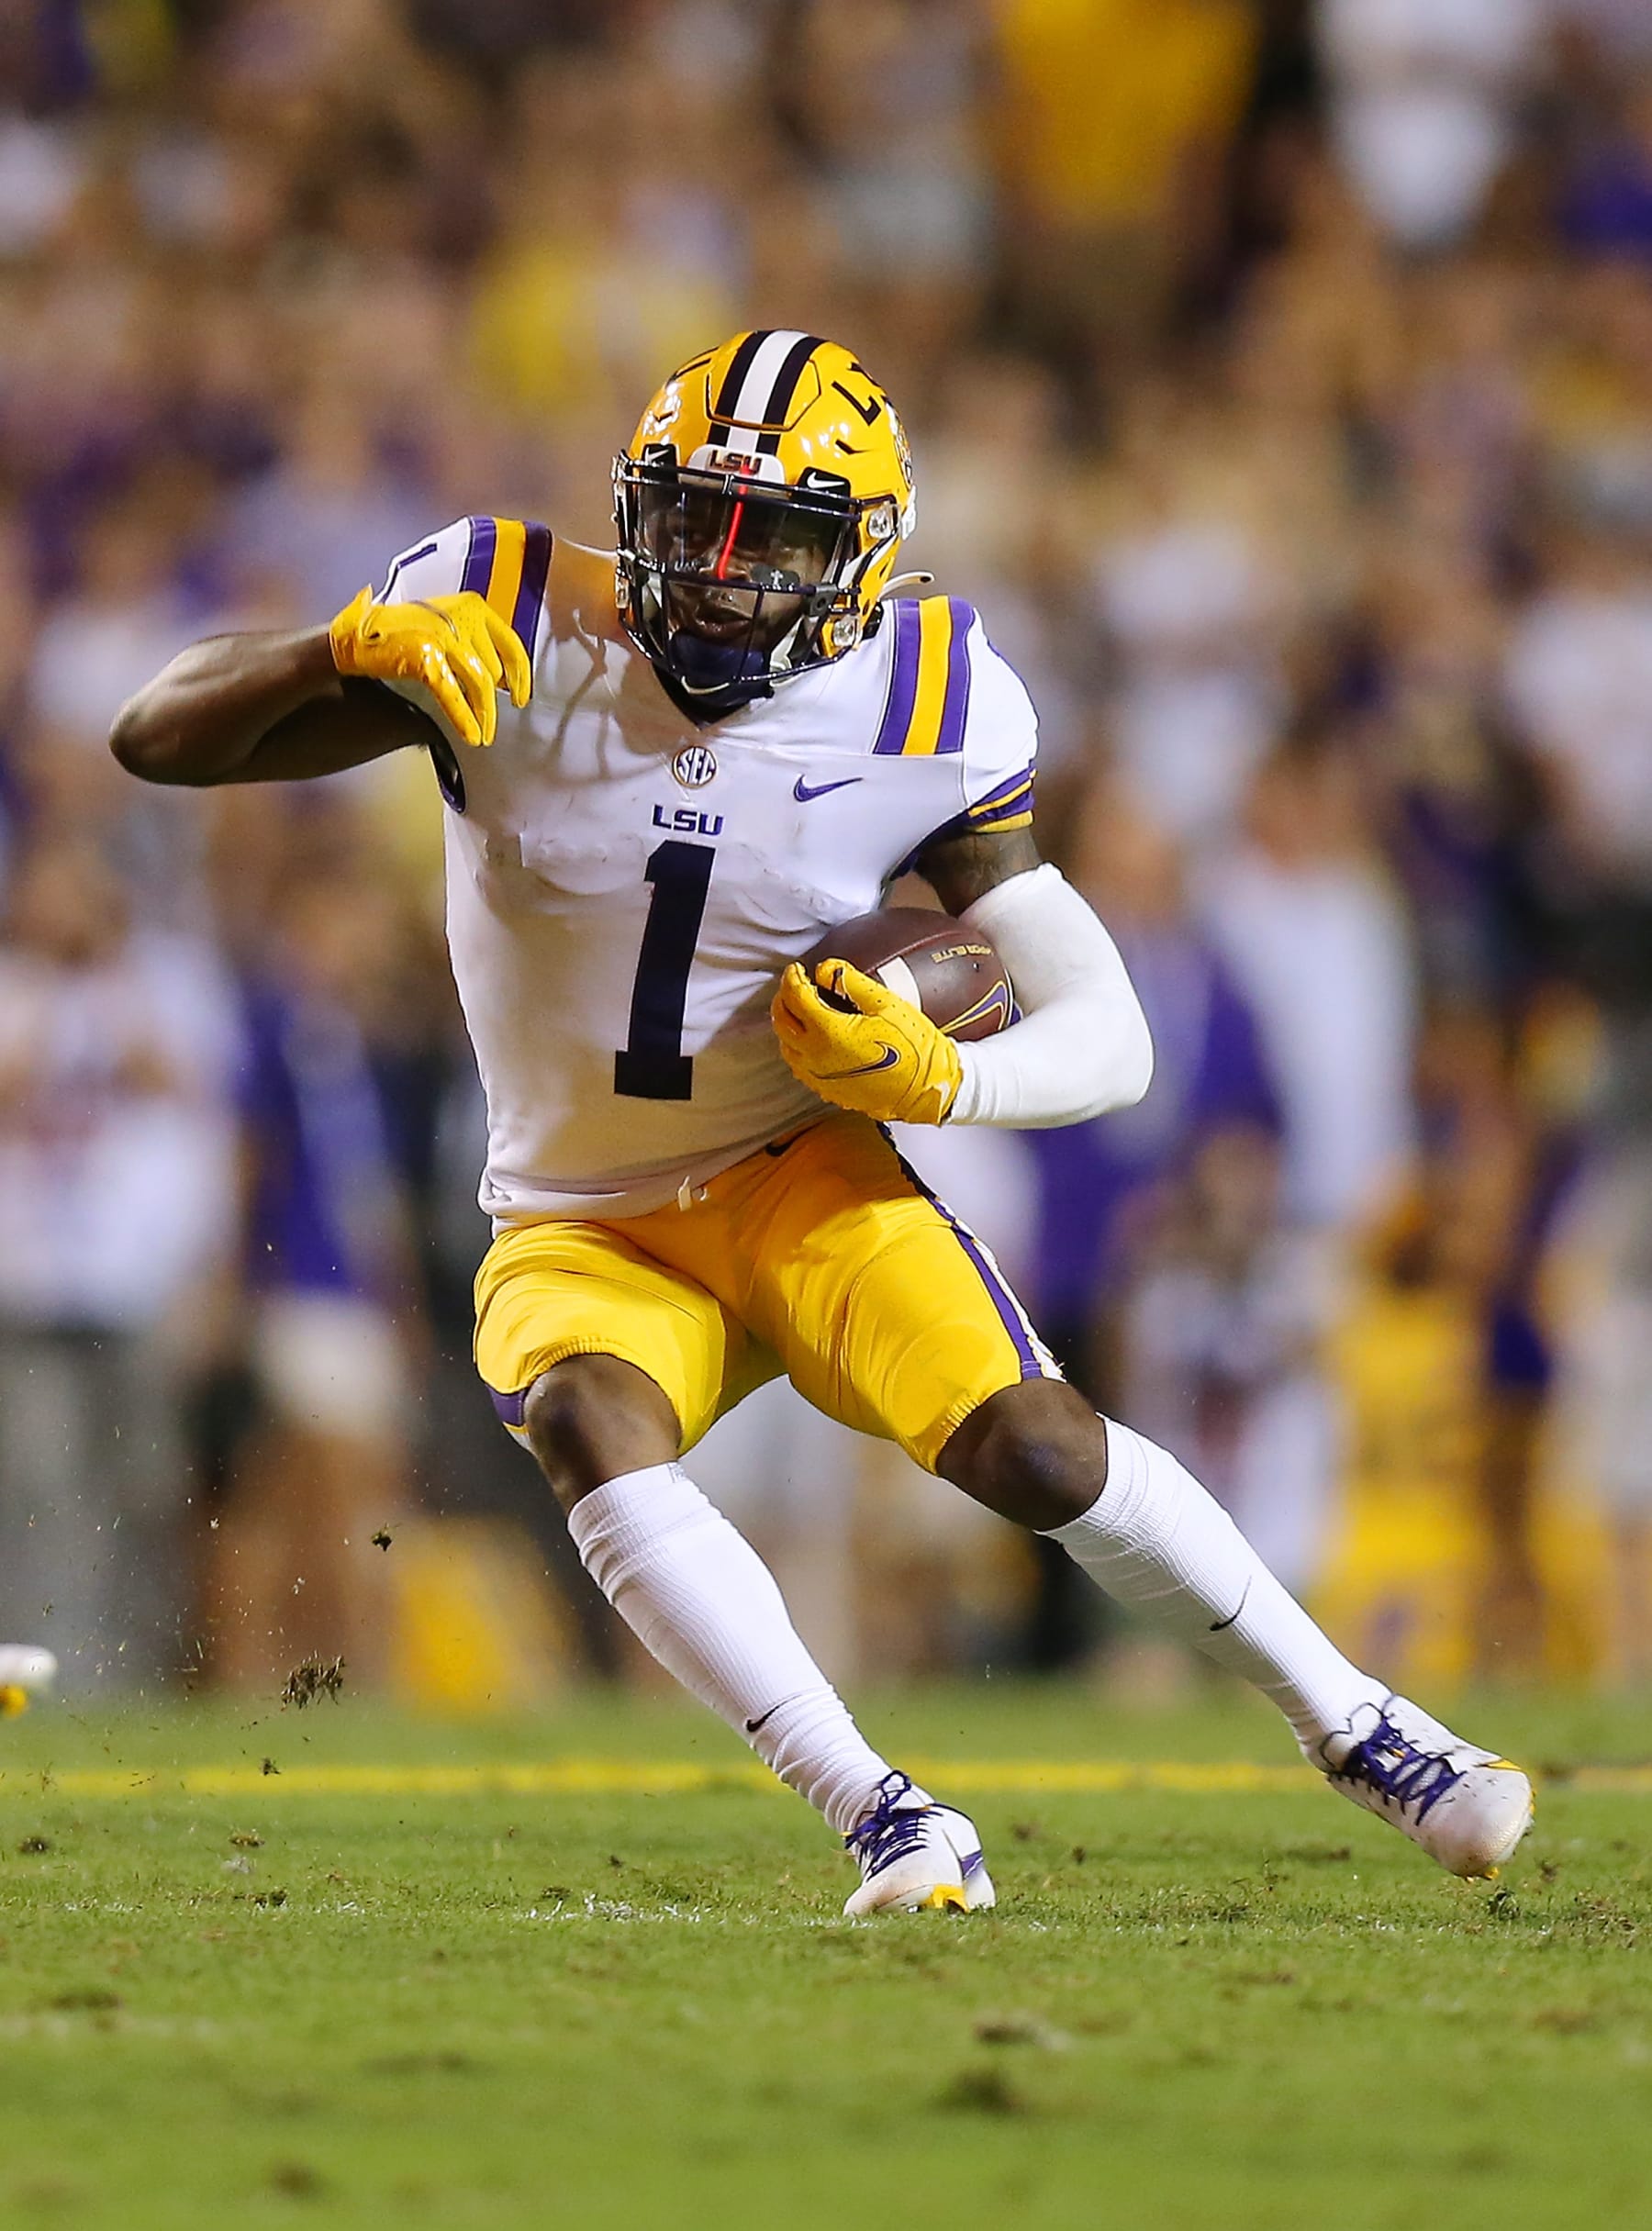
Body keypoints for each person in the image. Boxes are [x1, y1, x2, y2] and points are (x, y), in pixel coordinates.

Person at [110, 329, 1532, 1911]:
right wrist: (330, 653)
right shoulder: (507, 608)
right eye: (693, 518)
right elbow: (154, 735)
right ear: (630, 507)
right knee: (587, 1418)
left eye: (773, 537)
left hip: (795, 1173)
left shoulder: (926, 697)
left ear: (861, 561)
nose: (722, 573)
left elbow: (1106, 1027)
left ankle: (1363, 1725)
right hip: (580, 1208)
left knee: (1035, 1443)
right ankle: (884, 1813)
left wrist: (943, 1081)